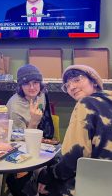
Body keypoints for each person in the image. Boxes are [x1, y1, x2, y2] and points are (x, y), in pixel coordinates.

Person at [34, 65, 112, 196]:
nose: (72, 87)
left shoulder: (86, 104)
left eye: (77, 80)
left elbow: (74, 158)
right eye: (67, 85)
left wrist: (48, 175)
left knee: (43, 184)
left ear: (93, 81)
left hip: (95, 182)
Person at [5, 64, 54, 196]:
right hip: (18, 150)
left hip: (43, 144)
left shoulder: (42, 94)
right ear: (20, 85)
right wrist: (33, 122)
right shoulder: (15, 106)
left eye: (35, 83)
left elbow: (48, 123)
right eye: (27, 84)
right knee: (23, 186)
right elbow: (19, 143)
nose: (32, 87)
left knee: (58, 176)